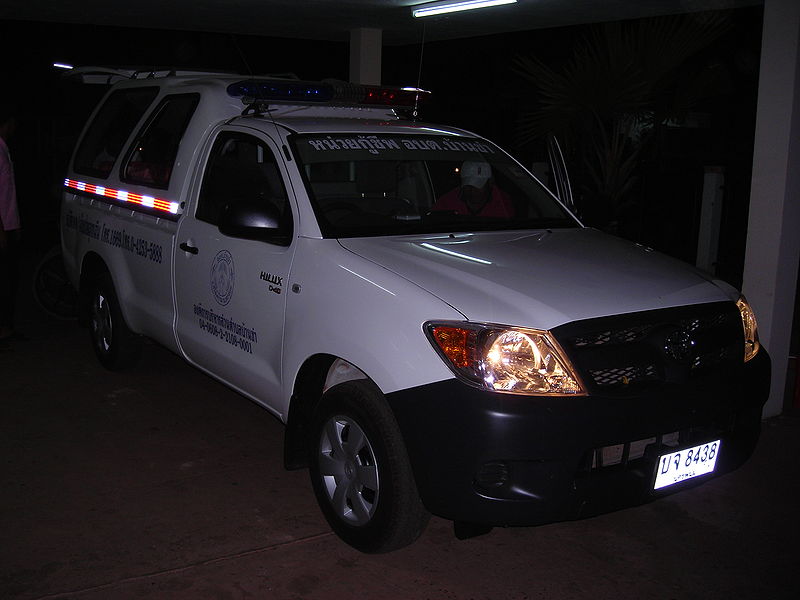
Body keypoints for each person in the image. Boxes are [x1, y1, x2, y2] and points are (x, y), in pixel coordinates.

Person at [0, 104, 21, 341]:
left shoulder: (5, 150)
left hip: (9, 223)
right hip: (3, 226)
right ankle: (3, 330)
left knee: (11, 278)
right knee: (5, 281)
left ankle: (7, 327)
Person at [433, 160, 514, 218]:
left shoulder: (503, 202)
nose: (472, 191)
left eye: (477, 185)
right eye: (468, 186)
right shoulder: (446, 203)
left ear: (490, 182)